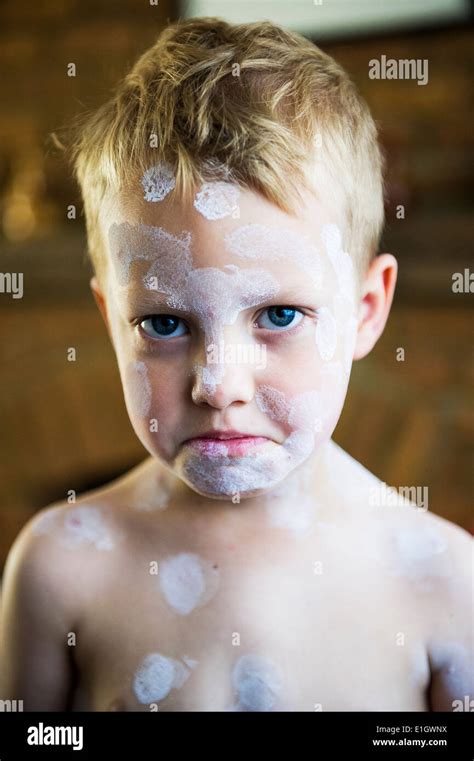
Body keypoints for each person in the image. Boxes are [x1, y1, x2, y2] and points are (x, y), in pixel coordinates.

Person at [0, 17, 471, 712]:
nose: (217, 383)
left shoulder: (444, 580)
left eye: (279, 315)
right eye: (163, 323)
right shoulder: (60, 565)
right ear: (111, 323)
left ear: (367, 311)